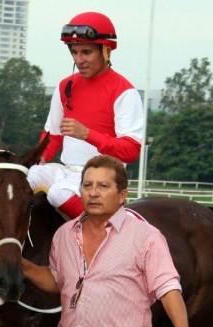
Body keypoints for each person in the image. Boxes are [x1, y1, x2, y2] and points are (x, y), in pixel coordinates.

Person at [23, 155, 196, 327]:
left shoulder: (145, 237)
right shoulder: (64, 235)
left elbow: (168, 288)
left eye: (103, 186)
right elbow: (58, 280)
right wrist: (23, 265)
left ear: (122, 195)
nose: (93, 193)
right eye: (87, 185)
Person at [27, 11, 144, 219]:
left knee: (58, 193)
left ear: (105, 51)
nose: (79, 60)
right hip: (68, 171)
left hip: (105, 176)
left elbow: (131, 150)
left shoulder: (125, 92)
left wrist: (87, 134)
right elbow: (52, 136)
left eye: (87, 52)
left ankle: (109, 233)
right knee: (24, 177)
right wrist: (38, 158)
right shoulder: (65, 86)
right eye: (74, 52)